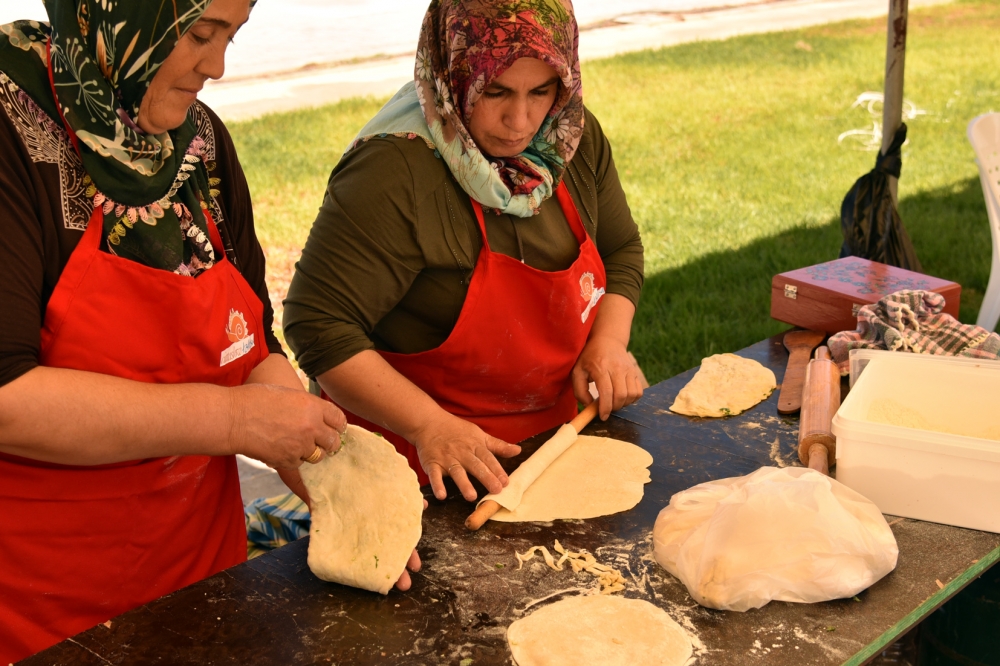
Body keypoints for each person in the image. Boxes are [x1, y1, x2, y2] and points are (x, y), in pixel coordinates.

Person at [0, 1, 418, 661]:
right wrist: (234, 422)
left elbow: (253, 342)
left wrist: (319, 462)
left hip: (203, 581)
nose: (219, 66)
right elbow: (6, 400)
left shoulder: (198, 144)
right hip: (42, 610)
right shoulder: (11, 135)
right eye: (199, 34)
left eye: (232, 34)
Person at [283, 0, 646, 505]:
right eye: (494, 91)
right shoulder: (395, 170)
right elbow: (317, 324)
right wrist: (428, 424)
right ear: (453, 70)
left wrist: (608, 341)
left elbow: (621, 248)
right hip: (414, 468)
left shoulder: (569, 138)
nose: (520, 120)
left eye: (540, 91)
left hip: (553, 449)